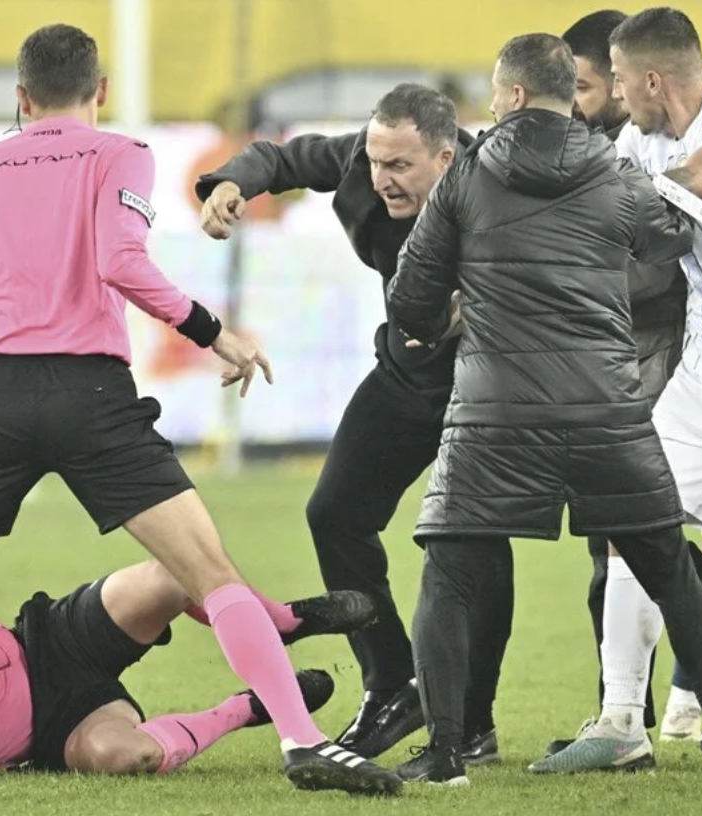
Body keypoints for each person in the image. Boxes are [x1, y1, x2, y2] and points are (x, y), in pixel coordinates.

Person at [0, 24, 404, 798]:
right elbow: (120, 261)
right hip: (94, 394)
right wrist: (214, 333)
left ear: (21, 96)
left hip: (2, 394)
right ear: (101, 91)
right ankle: (302, 739)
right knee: (208, 573)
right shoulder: (122, 154)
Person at [387, 31, 702, 786]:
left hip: (494, 413)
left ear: (514, 94)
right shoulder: (617, 170)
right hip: (607, 409)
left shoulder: (466, 175)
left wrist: (437, 324)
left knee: (449, 574)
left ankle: (445, 753)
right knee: (670, 567)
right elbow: (666, 242)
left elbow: (412, 296)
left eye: (495, 92)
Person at [193, 84, 507, 763]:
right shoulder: (362, 160)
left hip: (486, 384)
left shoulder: (500, 179)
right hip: (405, 374)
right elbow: (281, 158)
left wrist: (483, 305)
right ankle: (391, 683)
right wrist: (229, 184)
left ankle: (472, 723)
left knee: (472, 542)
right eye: (375, 161)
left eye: (400, 166)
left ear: (447, 158)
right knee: (335, 513)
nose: (380, 178)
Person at [534, 9, 702, 774]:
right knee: (631, 520)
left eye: (616, 80)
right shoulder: (637, 141)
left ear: (650, 80)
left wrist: (634, 208)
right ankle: (620, 723)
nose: (610, 96)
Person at [0, 563, 378, 776]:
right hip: (55, 729)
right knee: (127, 757)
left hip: (47, 644)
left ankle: (279, 621)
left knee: (169, 575)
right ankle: (246, 708)